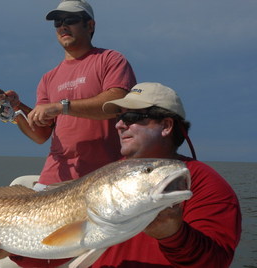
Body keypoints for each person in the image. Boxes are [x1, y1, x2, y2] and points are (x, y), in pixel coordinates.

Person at [0, 0, 136, 266]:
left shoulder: (110, 60)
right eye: (57, 22)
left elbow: (115, 103)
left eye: (69, 20)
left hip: (99, 180)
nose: (62, 26)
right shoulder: (49, 78)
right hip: (53, 177)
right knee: (28, 250)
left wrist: (62, 106)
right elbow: (39, 135)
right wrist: (18, 110)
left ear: (90, 25)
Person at [87, 82, 241, 267]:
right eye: (119, 116)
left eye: (131, 116)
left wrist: (174, 235)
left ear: (167, 125)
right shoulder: (109, 174)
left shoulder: (206, 184)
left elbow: (215, 262)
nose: (119, 125)